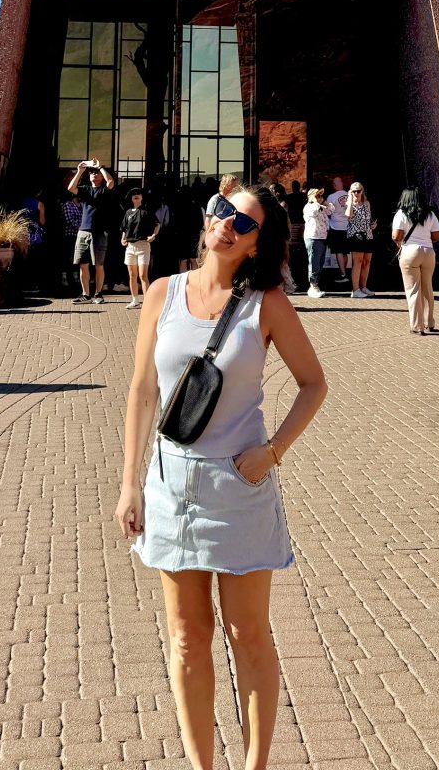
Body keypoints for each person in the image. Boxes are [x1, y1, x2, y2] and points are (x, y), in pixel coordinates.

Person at [115, 185, 327, 770]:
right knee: (187, 638)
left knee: (247, 633)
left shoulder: (267, 303)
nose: (228, 225)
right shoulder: (163, 293)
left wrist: (275, 450)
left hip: (240, 487)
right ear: (209, 214)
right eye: (224, 211)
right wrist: (129, 483)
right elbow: (142, 389)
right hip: (171, 484)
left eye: (246, 223)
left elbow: (315, 383)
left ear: (259, 243)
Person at [391, 186, 439, 335]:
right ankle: (429, 322)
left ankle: (417, 326)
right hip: (428, 252)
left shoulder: (401, 214)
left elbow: (396, 236)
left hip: (410, 252)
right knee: (427, 287)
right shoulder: (430, 214)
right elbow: (437, 236)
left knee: (413, 290)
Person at [68, 160, 115, 304]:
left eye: (97, 173)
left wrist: (100, 167)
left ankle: (98, 294)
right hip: (83, 231)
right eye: (92, 173)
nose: (94, 175)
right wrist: (80, 171)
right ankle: (86, 295)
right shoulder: (85, 190)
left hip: (99, 232)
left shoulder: (104, 190)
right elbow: (71, 188)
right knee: (83, 264)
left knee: (99, 265)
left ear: (101, 176)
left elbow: (111, 182)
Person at [121, 189, 160, 309]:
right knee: (132, 275)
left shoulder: (147, 210)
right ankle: (135, 301)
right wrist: (123, 239)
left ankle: (147, 302)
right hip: (130, 246)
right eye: (133, 195)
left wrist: (153, 236)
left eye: (138, 194)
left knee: (143, 275)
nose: (136, 196)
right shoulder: (128, 212)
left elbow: (157, 224)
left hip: (143, 245)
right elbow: (124, 228)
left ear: (142, 197)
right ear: (131, 198)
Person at [345, 182, 376, 299]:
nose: (356, 193)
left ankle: (363, 287)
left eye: (358, 191)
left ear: (362, 191)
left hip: (368, 235)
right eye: (354, 191)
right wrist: (350, 199)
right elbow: (348, 216)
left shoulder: (366, 203)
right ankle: (355, 289)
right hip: (356, 235)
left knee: (366, 261)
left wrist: (373, 225)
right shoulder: (350, 204)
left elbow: (369, 219)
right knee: (357, 262)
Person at [303, 187, 333, 299]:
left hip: (322, 237)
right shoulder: (309, 207)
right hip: (313, 237)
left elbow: (331, 210)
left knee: (320, 262)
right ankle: (312, 286)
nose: (320, 198)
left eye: (321, 195)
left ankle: (316, 285)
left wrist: (324, 202)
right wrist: (314, 201)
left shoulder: (322, 207)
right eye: (317, 195)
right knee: (314, 262)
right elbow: (315, 211)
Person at [326, 177, 350, 283]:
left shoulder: (331, 197)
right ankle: (344, 273)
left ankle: (343, 274)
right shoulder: (350, 195)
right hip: (347, 226)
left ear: (335, 185)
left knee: (339, 252)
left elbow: (328, 212)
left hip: (336, 227)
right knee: (345, 252)